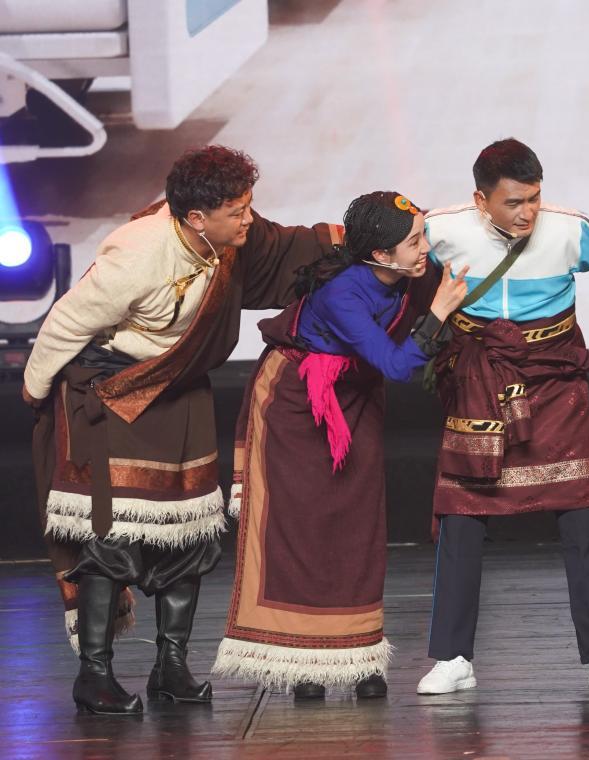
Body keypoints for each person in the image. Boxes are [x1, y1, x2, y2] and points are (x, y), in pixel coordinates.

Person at [22, 145, 347, 714]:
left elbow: (291, 248)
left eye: (248, 206)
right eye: (237, 211)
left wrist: (373, 237)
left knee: (189, 533)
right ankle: (93, 675)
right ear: (196, 217)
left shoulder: (231, 242)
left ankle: (170, 668)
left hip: (177, 388)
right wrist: (34, 393)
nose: (249, 220)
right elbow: (66, 323)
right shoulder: (137, 253)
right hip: (112, 390)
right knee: (112, 534)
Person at [214, 192, 466, 700]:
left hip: (356, 394)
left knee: (357, 526)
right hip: (296, 402)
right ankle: (305, 663)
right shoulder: (343, 294)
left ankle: (358, 655)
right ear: (380, 255)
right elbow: (396, 365)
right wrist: (438, 312)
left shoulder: (413, 271)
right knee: (304, 528)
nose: (425, 248)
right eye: (414, 241)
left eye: (422, 235)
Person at [416, 138, 589, 694]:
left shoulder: (570, 229)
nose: (527, 212)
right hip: (478, 381)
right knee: (462, 515)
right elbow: (394, 267)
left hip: (554, 383)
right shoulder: (439, 228)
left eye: (534, 198)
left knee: (580, 512)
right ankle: (451, 657)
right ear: (480, 199)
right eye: (513, 202)